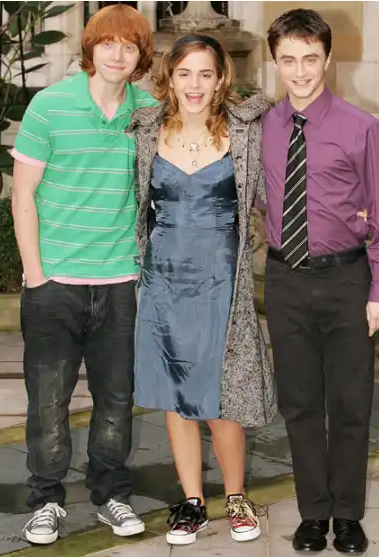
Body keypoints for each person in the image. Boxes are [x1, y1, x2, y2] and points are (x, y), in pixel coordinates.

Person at [11, 4, 157, 545]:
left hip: (120, 282)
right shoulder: (50, 106)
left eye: (129, 45)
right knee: (48, 402)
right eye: (108, 43)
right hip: (55, 282)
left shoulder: (149, 111)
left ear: (141, 56)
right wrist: (36, 274)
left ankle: (110, 494)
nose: (118, 54)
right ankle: (46, 499)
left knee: (116, 399)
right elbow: (22, 195)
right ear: (90, 48)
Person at [262, 8, 379, 555]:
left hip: (346, 280)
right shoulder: (262, 127)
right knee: (298, 404)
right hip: (286, 280)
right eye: (288, 60)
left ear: (327, 59)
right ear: (275, 63)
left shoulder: (360, 127)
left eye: (310, 59)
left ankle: (347, 515)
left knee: (349, 403)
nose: (300, 71)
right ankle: (312, 514)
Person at [129, 34, 276, 546]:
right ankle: (192, 501)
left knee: (222, 394)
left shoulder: (246, 130)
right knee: (175, 392)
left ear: (220, 80)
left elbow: (274, 194)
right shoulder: (146, 130)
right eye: (185, 73)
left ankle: (236, 497)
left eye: (205, 74)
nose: (194, 85)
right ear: (169, 78)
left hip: (222, 280)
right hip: (163, 279)